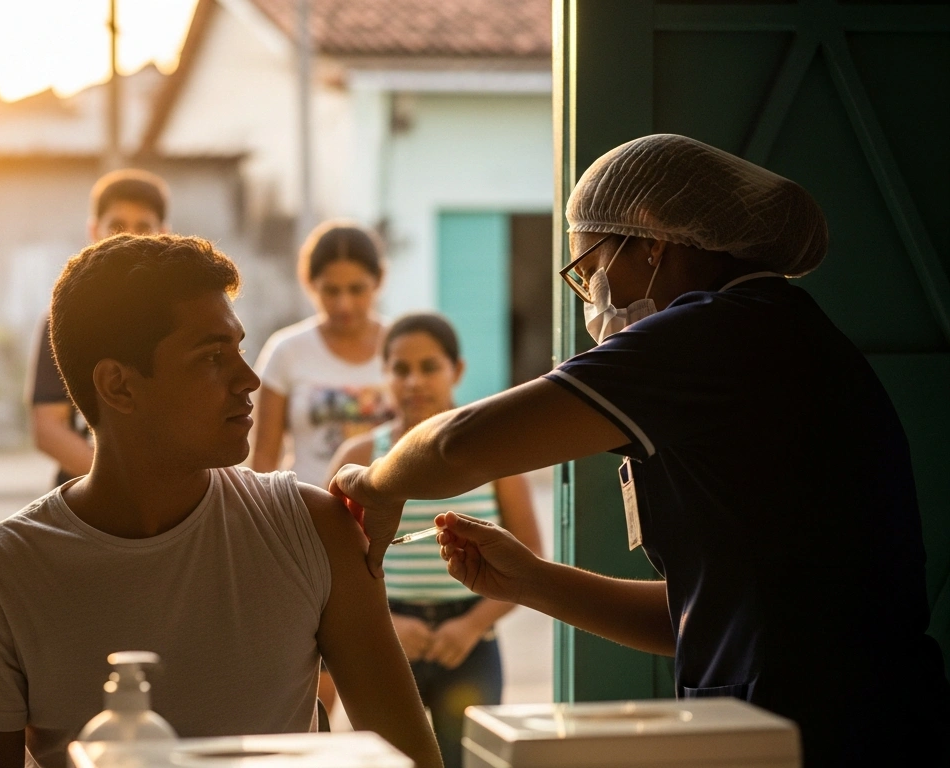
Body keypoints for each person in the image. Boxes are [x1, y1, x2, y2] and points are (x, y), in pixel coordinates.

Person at [330, 134, 950, 767]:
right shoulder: (773, 329)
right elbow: (697, 616)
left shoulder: (714, 334)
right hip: (829, 713)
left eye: (590, 269)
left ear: (652, 239)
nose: (593, 298)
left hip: (831, 726)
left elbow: (459, 446)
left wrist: (374, 483)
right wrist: (532, 581)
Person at [0, 235, 444, 768]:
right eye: (213, 356)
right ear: (118, 386)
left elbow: (411, 757)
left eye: (239, 348)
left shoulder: (312, 528)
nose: (249, 379)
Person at [326, 312, 540, 768]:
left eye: (429, 367)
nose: (413, 381)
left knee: (466, 760)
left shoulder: (495, 451)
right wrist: (388, 626)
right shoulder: (359, 458)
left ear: (456, 371)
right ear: (384, 375)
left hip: (468, 644)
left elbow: (530, 558)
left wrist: (469, 626)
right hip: (383, 639)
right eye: (400, 369)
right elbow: (328, 564)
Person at [250, 221, 393, 709]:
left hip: (388, 531)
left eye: (357, 289)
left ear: (380, 282)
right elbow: (263, 456)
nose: (344, 304)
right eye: (330, 291)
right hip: (309, 533)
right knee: (318, 692)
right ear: (309, 285)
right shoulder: (287, 351)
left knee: (390, 691)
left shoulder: (403, 349)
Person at [28, 169, 170, 487]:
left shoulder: (186, 318)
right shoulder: (63, 319)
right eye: (117, 226)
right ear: (95, 231)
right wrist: (125, 482)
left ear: (164, 233)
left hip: (171, 501)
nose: (130, 237)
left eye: (143, 226)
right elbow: (48, 429)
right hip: (87, 499)